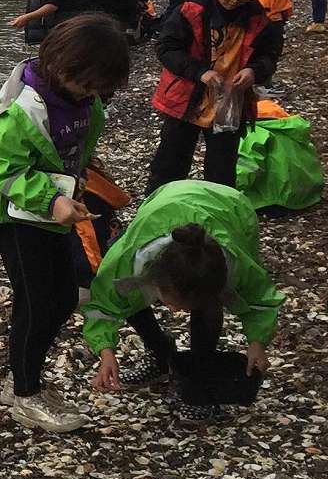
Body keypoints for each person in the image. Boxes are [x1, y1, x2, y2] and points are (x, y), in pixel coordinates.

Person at [0, 14, 134, 433]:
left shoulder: (84, 99)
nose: (92, 94)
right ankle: (25, 394)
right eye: (87, 85)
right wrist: (52, 200)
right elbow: (3, 173)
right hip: (13, 212)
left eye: (99, 88)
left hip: (52, 206)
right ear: (62, 65)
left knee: (62, 297)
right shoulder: (22, 110)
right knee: (38, 301)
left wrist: (80, 175)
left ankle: (21, 376)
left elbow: (77, 143)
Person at [84, 181, 285, 426]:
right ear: (155, 278)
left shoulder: (238, 265)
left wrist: (257, 342)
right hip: (165, 200)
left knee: (207, 305)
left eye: (182, 307)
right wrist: (106, 351)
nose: (174, 311)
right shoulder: (126, 260)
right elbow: (104, 303)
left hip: (233, 208)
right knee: (128, 290)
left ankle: (200, 375)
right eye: (173, 303)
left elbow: (260, 298)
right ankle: (160, 353)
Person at [149, 0, 285, 191]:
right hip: (186, 98)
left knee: (222, 168)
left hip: (229, 101)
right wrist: (200, 72)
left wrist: (254, 71)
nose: (234, 0)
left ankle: (219, 208)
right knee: (170, 162)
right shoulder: (191, 9)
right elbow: (167, 48)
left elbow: (270, 54)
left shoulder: (259, 17)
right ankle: (158, 205)